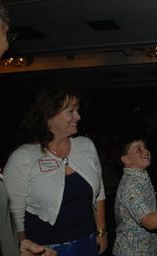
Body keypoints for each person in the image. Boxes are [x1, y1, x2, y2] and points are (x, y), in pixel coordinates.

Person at [3, 87, 107, 256]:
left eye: (77, 110)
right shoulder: (23, 157)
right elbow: (14, 213)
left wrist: (101, 232)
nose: (78, 117)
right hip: (46, 249)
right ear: (49, 116)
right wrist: (22, 246)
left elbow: (99, 192)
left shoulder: (86, 146)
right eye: (71, 111)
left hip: (87, 243)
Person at [0, 1, 56, 255]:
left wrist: (14, 246)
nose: (6, 45)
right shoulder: (22, 156)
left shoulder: (83, 147)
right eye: (4, 32)